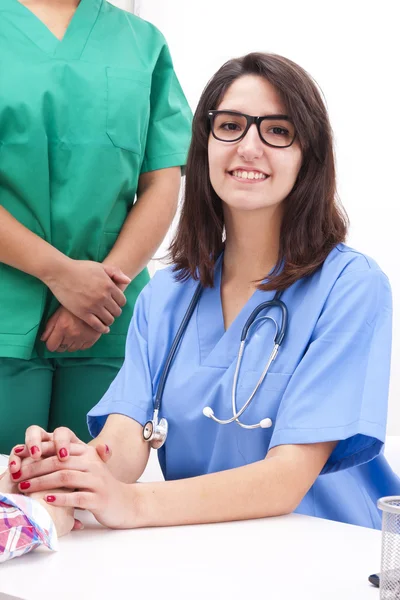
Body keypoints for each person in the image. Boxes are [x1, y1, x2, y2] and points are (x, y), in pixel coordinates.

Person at [6, 52, 400, 532]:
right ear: (205, 146)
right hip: (203, 553)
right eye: (230, 126)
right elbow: (125, 440)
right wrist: (70, 467)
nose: (249, 147)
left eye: (278, 131)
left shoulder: (351, 288)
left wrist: (132, 504)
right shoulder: (167, 294)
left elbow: (287, 478)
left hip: (331, 558)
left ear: (308, 157)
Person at [0, 0, 192, 451]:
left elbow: (162, 179)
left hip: (108, 322)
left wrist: (103, 295)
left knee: (97, 500)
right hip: (7, 311)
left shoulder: (143, 44)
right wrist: (61, 274)